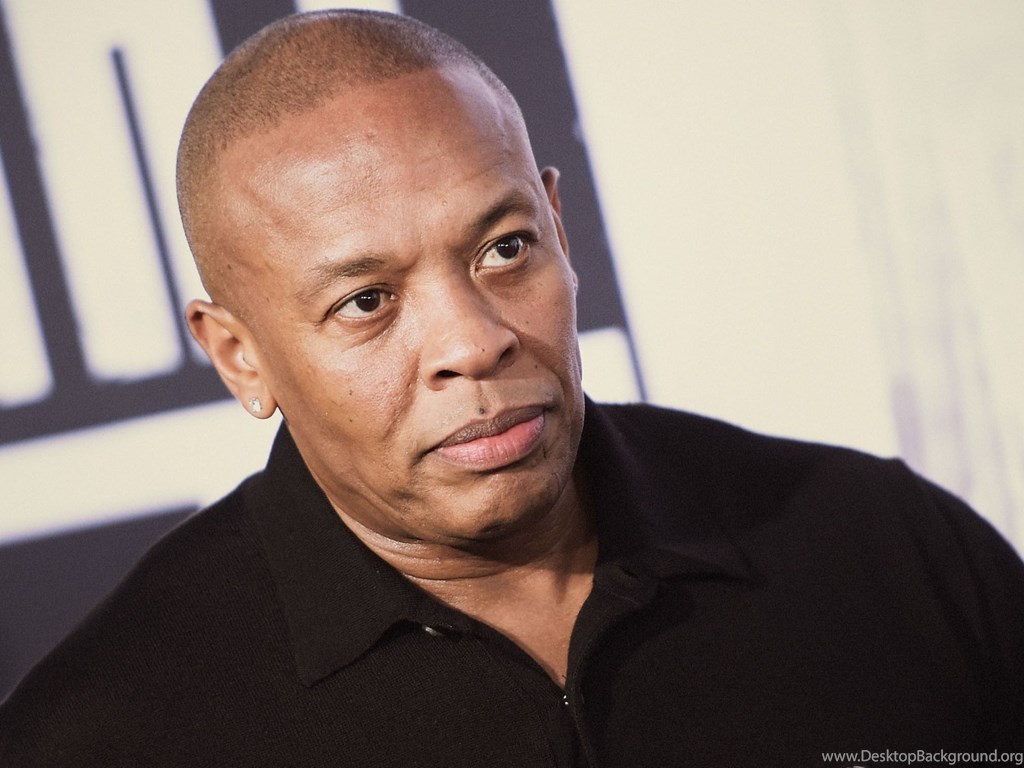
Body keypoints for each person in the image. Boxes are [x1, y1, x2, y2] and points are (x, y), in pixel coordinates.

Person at [1, 9, 1022, 766]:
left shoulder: (888, 552)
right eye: (365, 302)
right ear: (240, 357)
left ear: (560, 229)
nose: (474, 342)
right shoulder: (101, 737)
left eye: (504, 248)